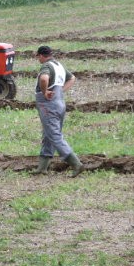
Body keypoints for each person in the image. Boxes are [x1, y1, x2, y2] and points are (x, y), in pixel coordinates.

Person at [32, 45, 83, 177]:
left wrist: (45, 91)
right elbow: (72, 78)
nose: (38, 59)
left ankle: (76, 163)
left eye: (38, 56)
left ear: (41, 55)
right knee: (48, 134)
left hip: (48, 105)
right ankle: (42, 168)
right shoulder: (58, 65)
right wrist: (60, 91)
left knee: (54, 135)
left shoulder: (47, 66)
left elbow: (44, 78)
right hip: (59, 103)